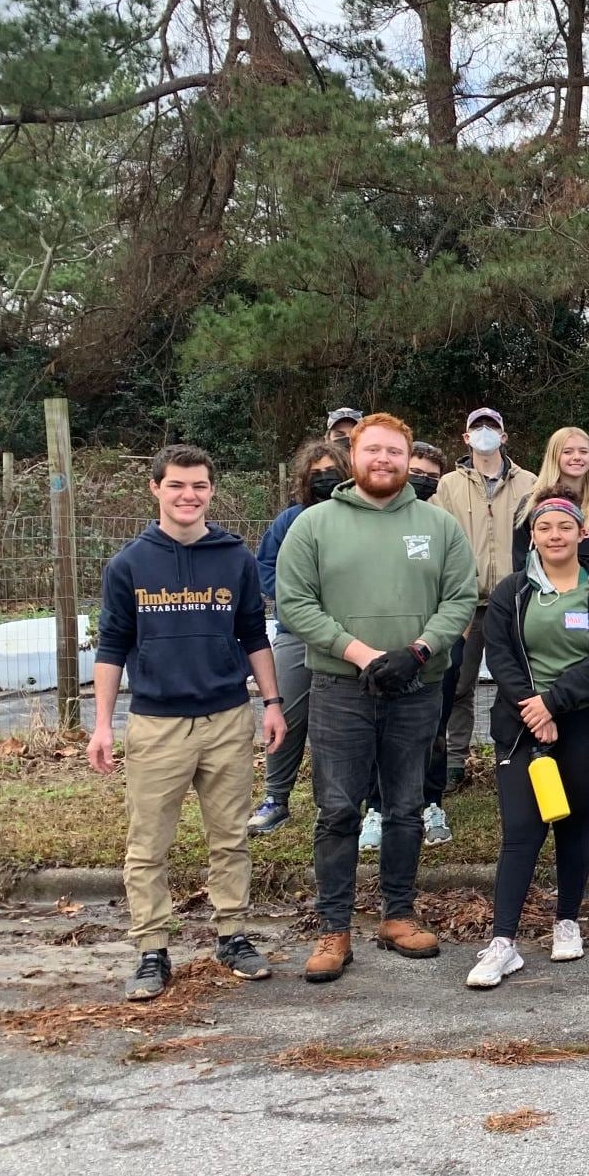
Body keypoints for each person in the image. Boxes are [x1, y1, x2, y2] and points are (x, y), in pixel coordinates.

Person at [276, 413, 479, 984]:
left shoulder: (439, 526)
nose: (384, 460)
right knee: (338, 807)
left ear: (408, 458)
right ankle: (334, 926)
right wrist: (362, 654)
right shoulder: (313, 526)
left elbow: (461, 597)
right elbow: (295, 603)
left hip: (416, 685)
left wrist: (418, 651)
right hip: (341, 687)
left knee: (405, 805)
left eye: (395, 451)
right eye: (373, 451)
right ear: (353, 457)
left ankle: (398, 913)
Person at [88, 446, 287, 1001]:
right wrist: (102, 724)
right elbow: (111, 646)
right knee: (148, 843)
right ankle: (152, 949)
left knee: (230, 838)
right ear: (156, 489)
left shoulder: (235, 557)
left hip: (226, 718)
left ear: (211, 491)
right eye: (176, 485)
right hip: (156, 724)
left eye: (198, 485)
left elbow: (254, 633)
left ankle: (232, 935)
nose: (188, 495)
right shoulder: (129, 564)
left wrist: (271, 703)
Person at [467, 495, 589, 989]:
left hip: (584, 723)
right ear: (533, 536)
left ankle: (566, 921)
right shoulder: (512, 591)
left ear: (582, 534)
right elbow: (500, 655)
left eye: (565, 526)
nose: (555, 535)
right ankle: (503, 943)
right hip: (523, 723)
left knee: (574, 825)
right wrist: (533, 708)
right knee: (521, 831)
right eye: (545, 528)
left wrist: (555, 703)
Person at [433, 407, 536, 795]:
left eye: (492, 426)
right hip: (465, 602)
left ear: (505, 436)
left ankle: (518, 756)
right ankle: (454, 762)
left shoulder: (530, 481)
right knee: (458, 684)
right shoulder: (447, 486)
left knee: (522, 680)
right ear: (465, 438)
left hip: (516, 599)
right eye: (477, 427)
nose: (485, 432)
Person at [248, 438, 348, 836]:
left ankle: (336, 802)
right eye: (317, 474)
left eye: (333, 473)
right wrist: (296, 601)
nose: (325, 480)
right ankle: (276, 797)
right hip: (296, 633)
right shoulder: (288, 521)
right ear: (304, 479)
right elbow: (266, 568)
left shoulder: (360, 518)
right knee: (286, 717)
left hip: (347, 637)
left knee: (340, 724)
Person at [408, 440, 458, 846]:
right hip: (376, 651)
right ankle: (376, 807)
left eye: (430, 477)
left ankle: (431, 803)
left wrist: (430, 640)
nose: (421, 481)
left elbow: (456, 590)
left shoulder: (441, 524)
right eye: (416, 472)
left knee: (434, 730)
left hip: (433, 650)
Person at [509, 426, 589, 593]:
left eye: (583, 451)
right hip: (546, 599)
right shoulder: (531, 504)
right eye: (567, 452)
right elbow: (521, 561)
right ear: (554, 456)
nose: (577, 457)